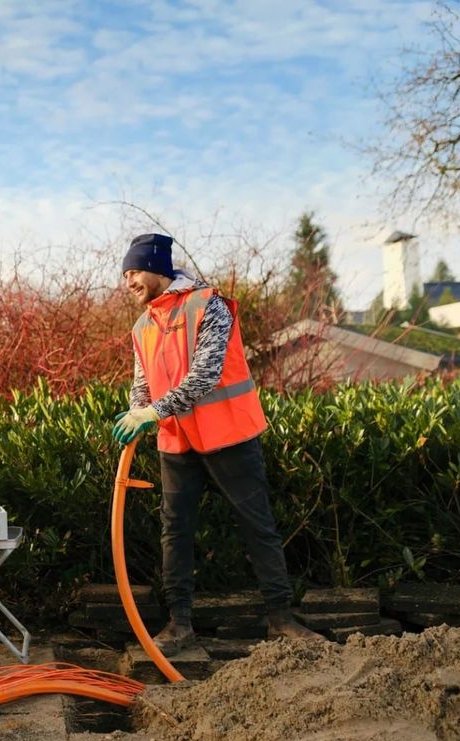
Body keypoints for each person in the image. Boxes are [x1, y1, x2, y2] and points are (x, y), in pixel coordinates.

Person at [112, 232, 323, 655]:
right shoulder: (142, 325)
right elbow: (143, 382)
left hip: (228, 435)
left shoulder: (209, 305)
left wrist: (153, 413)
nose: (129, 281)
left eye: (134, 271)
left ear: (157, 269)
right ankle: (180, 624)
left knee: (256, 524)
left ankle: (280, 618)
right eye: (125, 274)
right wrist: (139, 410)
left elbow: (206, 375)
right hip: (177, 442)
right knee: (175, 531)